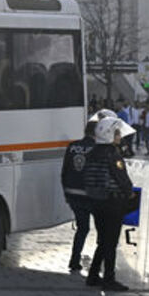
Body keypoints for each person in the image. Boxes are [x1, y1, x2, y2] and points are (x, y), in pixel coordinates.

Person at [83, 117, 137, 292]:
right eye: (117, 133)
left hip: (96, 202)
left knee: (103, 239)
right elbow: (122, 178)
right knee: (111, 241)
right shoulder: (112, 154)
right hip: (112, 202)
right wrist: (130, 193)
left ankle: (92, 275)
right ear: (108, 134)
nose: (120, 136)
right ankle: (109, 279)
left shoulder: (92, 152)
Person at [62, 116, 99, 273]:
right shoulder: (97, 149)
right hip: (91, 195)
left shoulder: (72, 146)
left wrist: (66, 192)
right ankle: (99, 261)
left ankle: (74, 259)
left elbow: (65, 170)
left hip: (73, 194)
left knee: (82, 228)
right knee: (101, 229)